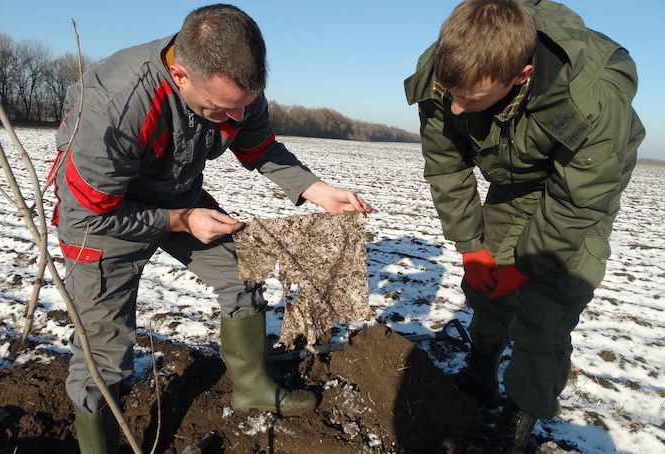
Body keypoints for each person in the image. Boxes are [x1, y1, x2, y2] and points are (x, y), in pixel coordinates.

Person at [50, 4, 372, 453]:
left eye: (243, 107)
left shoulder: (237, 86)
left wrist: (317, 190)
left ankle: (251, 385)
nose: (234, 120)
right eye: (221, 110)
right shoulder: (114, 106)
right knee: (104, 352)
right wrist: (182, 220)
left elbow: (259, 145)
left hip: (176, 196)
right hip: (102, 221)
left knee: (243, 270)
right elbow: (88, 216)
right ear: (180, 76)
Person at [404, 0, 644, 452]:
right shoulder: (447, 70)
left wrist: (528, 266)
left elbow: (576, 202)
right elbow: (445, 165)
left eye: (471, 99)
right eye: (450, 92)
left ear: (522, 75)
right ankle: (479, 381)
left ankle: (516, 425)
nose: (455, 108)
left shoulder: (592, 100)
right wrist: (470, 246)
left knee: (547, 311)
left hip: (583, 186)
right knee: (490, 284)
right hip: (515, 177)